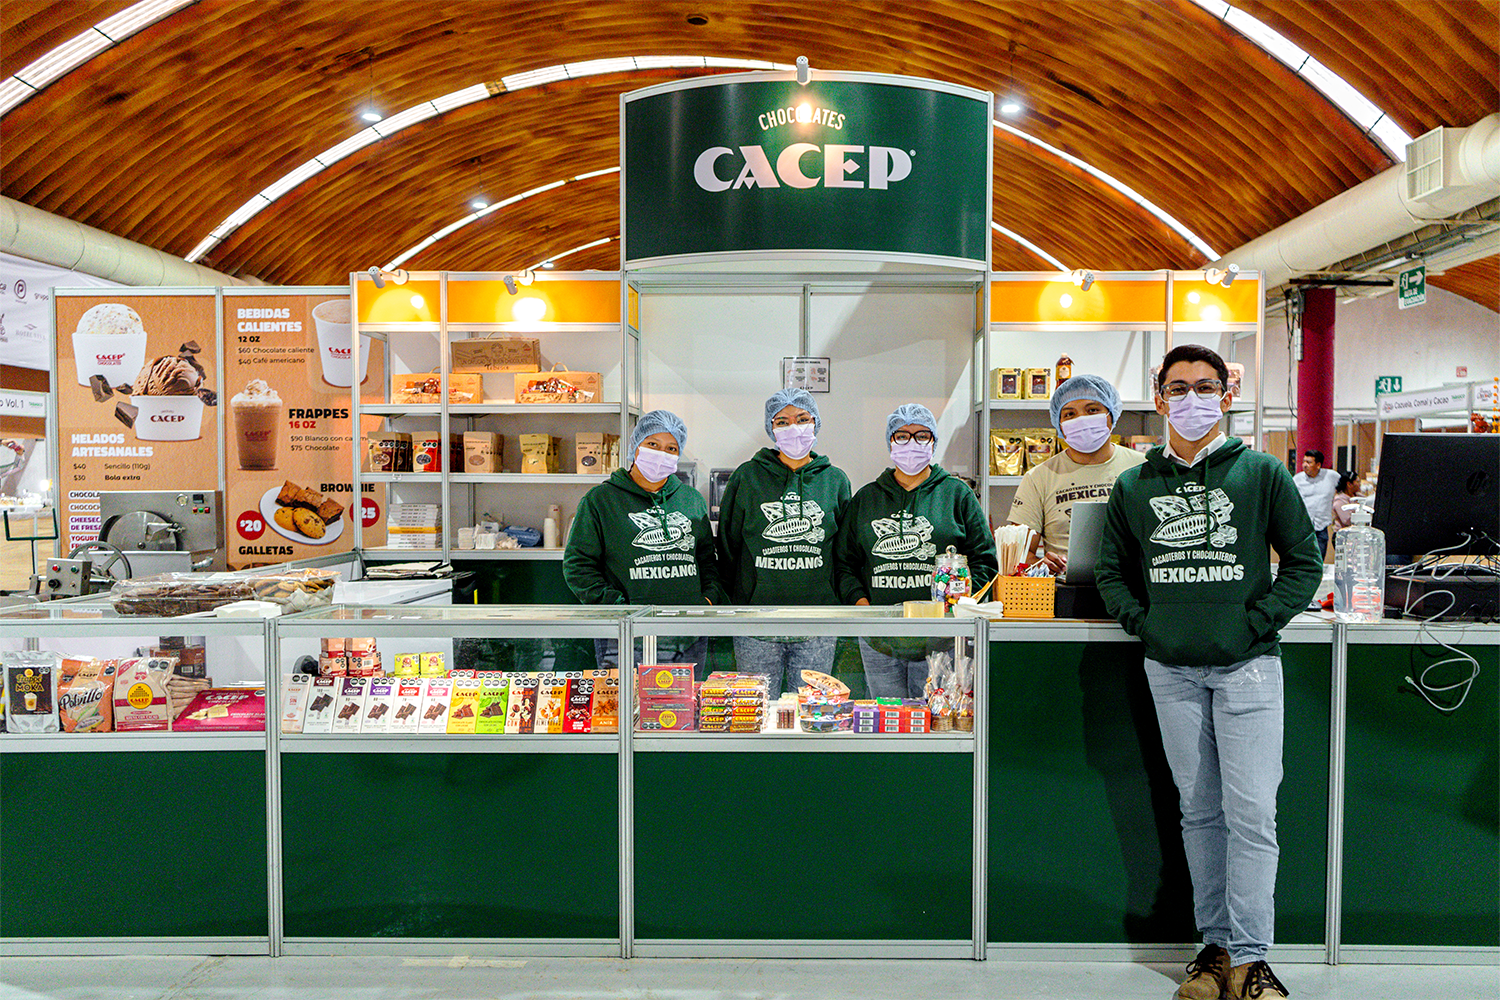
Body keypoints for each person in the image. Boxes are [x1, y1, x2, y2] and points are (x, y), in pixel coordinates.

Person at [1095, 344, 1322, 1000]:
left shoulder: (1260, 473)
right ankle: (1215, 949)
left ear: (1226, 395)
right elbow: (1111, 571)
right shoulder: (1134, 485)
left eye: (1204, 387)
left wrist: (1256, 622)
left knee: (1251, 814)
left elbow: (1303, 561)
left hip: (1248, 668)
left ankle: (1252, 959)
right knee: (1199, 814)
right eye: (1178, 387)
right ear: (1158, 397)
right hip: (1170, 672)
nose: (1191, 398)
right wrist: (1148, 625)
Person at [833, 403, 998, 698]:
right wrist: (863, 606)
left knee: (937, 720)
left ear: (933, 441)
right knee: (888, 718)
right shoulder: (866, 499)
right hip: (879, 640)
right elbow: (844, 563)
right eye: (902, 436)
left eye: (922, 435)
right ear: (890, 442)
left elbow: (985, 560)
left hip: (942, 641)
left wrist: (960, 607)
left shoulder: (957, 495)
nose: (912, 443)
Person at [564, 409, 724, 669]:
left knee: (683, 697)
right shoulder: (600, 501)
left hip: (687, 634)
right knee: (625, 696)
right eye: (653, 444)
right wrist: (619, 608)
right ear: (635, 446)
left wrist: (707, 599)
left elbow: (707, 560)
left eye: (671, 448)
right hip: (624, 633)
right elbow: (578, 566)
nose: (661, 454)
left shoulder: (691, 500)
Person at [717, 388, 852, 698]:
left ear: (815, 423)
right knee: (755, 712)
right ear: (771, 428)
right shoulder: (747, 478)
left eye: (802, 419)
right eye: (783, 421)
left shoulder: (835, 481)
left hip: (818, 626)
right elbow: (728, 547)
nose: (794, 428)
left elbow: (844, 553)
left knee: (813, 712)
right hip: (756, 626)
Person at [1008, 372, 1146, 573]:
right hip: (1066, 588)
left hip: (1134, 584)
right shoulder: (1039, 477)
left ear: (1112, 415)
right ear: (1059, 424)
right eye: (1069, 414)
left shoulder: (1143, 467)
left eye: (1092, 410)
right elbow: (1017, 554)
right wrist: (1042, 566)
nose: (1082, 419)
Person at [1292, 449, 1338, 560]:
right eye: (1304, 462)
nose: (1305, 465)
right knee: (1302, 558)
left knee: (1319, 558)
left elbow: (1346, 487)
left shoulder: (1331, 476)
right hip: (1303, 526)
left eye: (1309, 462)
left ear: (1318, 465)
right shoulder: (1297, 479)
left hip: (1322, 525)